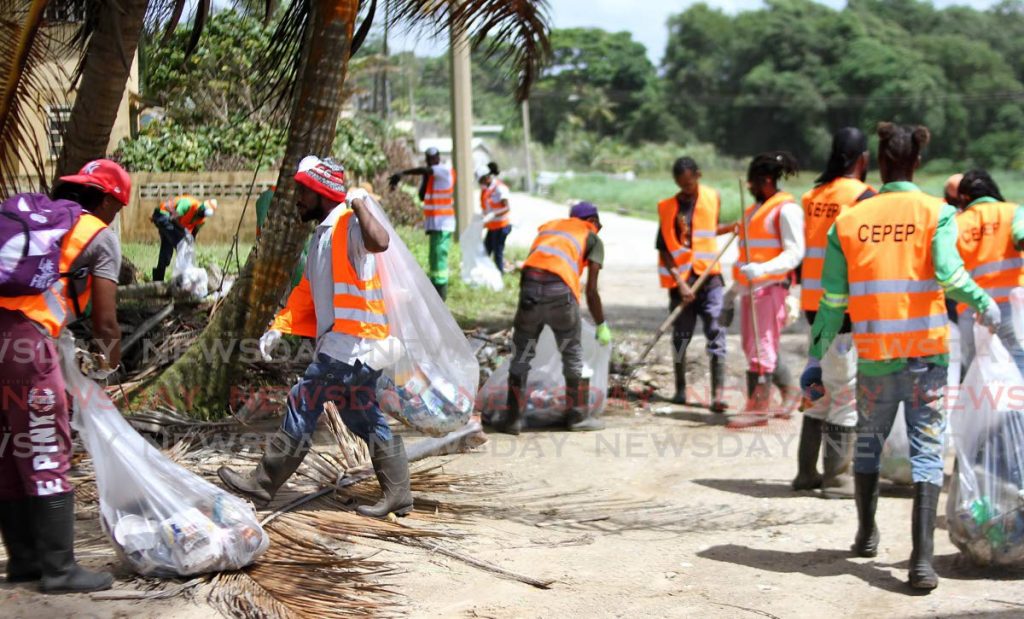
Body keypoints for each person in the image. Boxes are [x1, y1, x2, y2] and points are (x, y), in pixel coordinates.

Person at [807, 122, 999, 591]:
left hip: (873, 359)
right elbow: (952, 278)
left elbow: (831, 303)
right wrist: (984, 303)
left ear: (879, 162)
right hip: (926, 358)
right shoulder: (936, 211)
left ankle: (866, 532)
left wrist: (815, 360)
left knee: (869, 446)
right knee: (927, 451)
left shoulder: (849, 220)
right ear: (917, 161)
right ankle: (921, 561)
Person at [218, 156, 413, 520]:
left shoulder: (349, 225)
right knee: (362, 415)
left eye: (302, 193)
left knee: (302, 400)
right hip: (354, 348)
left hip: (351, 346)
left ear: (318, 190)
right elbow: (308, 291)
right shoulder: (323, 235)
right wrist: (280, 326)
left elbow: (381, 240)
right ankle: (399, 493)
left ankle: (263, 484)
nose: (297, 200)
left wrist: (358, 202)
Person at [0, 159, 130, 593]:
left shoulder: (32, 218)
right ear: (110, 199)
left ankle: (24, 561)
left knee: (9, 448)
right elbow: (106, 324)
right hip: (22, 344)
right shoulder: (99, 234)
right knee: (43, 445)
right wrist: (109, 366)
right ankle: (59, 569)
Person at [795, 128, 875, 499]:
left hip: (814, 307)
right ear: (862, 158)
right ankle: (837, 478)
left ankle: (806, 471)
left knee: (819, 382)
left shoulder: (812, 196)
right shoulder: (863, 197)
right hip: (843, 307)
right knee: (844, 389)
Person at [491, 202, 611, 435]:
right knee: (572, 354)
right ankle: (577, 417)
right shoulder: (591, 235)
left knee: (522, 354)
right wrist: (601, 323)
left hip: (529, 291)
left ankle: (512, 419)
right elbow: (592, 290)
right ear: (594, 221)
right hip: (560, 295)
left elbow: (534, 264)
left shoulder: (551, 228)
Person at [724, 152, 804, 429]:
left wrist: (762, 269)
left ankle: (758, 408)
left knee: (762, 348)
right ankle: (790, 394)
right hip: (750, 290)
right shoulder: (754, 212)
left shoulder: (787, 211)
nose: (750, 188)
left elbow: (795, 253)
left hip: (770, 289)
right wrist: (733, 291)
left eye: (753, 183)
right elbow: (747, 255)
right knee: (753, 346)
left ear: (767, 181)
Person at [655, 156, 729, 412]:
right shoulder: (668, 208)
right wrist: (681, 284)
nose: (686, 190)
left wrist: (732, 228)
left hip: (710, 279)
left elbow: (709, 229)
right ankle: (679, 389)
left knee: (716, 331)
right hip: (682, 285)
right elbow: (664, 249)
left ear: (698, 175)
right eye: (681, 185)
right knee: (681, 338)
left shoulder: (712, 197)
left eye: (689, 183)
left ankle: (718, 395)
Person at [954, 169, 1024, 375]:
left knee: (978, 371)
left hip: (972, 309)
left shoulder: (958, 223)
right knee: (1019, 364)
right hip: (1012, 307)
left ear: (964, 197)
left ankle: (984, 407)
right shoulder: (1012, 211)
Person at [389, 147, 456, 300]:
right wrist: (425, 176)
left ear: (438, 158)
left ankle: (441, 295)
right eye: (428, 159)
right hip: (435, 225)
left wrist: (403, 173)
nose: (430, 162)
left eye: (433, 158)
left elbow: (426, 170)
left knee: (439, 260)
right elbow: (421, 196)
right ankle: (436, 294)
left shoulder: (444, 171)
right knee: (434, 260)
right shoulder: (431, 176)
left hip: (443, 224)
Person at [151, 194, 217, 281]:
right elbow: (173, 218)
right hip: (163, 214)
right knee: (181, 244)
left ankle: (158, 280)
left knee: (167, 250)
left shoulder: (201, 220)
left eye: (203, 215)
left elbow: (193, 234)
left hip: (171, 223)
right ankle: (183, 276)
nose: (200, 215)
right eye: (201, 213)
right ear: (201, 207)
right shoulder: (188, 203)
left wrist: (191, 244)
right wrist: (184, 231)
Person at [477, 162, 512, 272]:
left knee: (498, 252)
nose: (480, 183)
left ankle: (500, 276)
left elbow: (507, 207)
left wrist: (493, 214)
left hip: (502, 226)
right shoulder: (485, 190)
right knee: (486, 251)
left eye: (481, 181)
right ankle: (485, 275)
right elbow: (485, 208)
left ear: (487, 177)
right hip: (492, 227)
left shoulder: (499, 188)